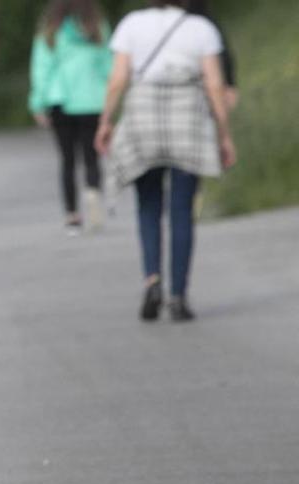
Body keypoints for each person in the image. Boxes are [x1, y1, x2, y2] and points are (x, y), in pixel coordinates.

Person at [95, 0, 236, 322]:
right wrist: (224, 134)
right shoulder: (200, 28)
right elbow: (215, 84)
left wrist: (106, 121)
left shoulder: (131, 24)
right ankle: (178, 295)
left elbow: (118, 79)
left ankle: (152, 281)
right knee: (182, 209)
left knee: (148, 205)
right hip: (187, 113)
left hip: (143, 111)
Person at [28, 0, 113, 235]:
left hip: (61, 100)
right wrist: (111, 101)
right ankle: (93, 193)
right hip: (93, 99)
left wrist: (38, 101)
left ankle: (72, 215)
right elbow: (109, 65)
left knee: (67, 160)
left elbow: (42, 67)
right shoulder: (96, 25)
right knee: (91, 156)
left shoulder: (52, 28)